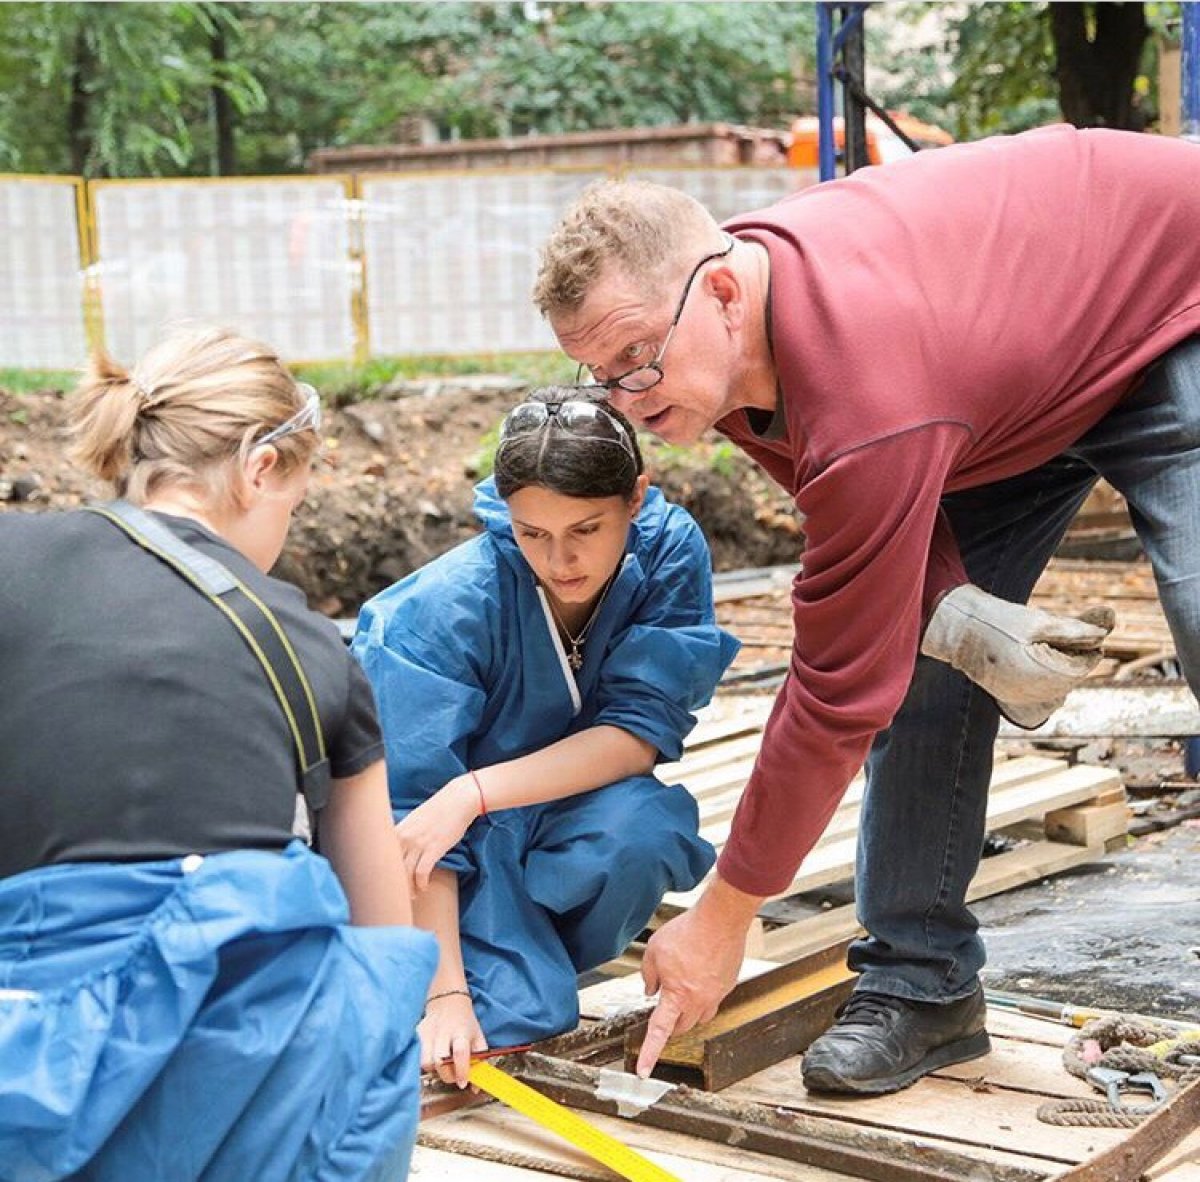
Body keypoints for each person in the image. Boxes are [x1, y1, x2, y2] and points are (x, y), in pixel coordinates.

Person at [534, 124, 1200, 1094]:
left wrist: (723, 914)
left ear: (720, 292)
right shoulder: (731, 341)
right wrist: (950, 608)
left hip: (1167, 298)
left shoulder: (863, 382)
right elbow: (862, 546)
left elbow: (838, 689)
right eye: (600, 377)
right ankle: (923, 992)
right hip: (1002, 390)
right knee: (934, 665)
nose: (627, 399)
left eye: (638, 360)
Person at [0, 326, 437, 1180]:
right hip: (225, 1092)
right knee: (374, 1001)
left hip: (25, 1050)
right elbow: (385, 942)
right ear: (259, 468)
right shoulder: (309, 646)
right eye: (295, 503)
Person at [352, 385, 738, 1086]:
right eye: (532, 533)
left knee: (644, 830)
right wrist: (444, 995)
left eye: (586, 530)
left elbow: (636, 733)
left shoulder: (669, 551)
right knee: (504, 1018)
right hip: (441, 856)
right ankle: (483, 965)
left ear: (635, 498)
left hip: (527, 813)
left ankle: (522, 958)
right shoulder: (433, 615)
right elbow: (409, 824)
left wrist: (472, 791)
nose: (560, 561)